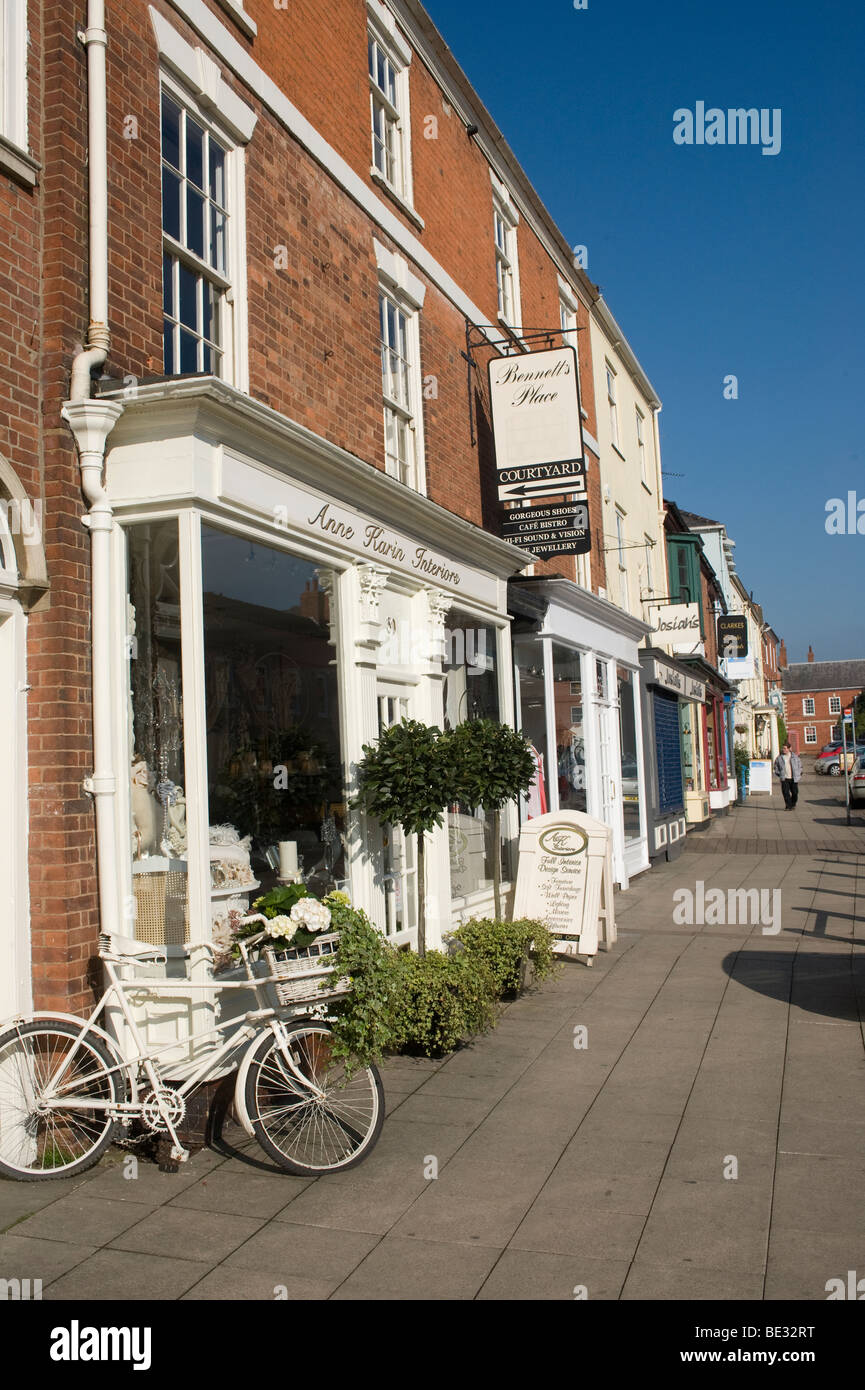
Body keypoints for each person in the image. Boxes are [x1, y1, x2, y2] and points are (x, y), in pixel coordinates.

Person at [773, 741, 802, 809]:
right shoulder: (779, 758)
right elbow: (775, 767)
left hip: (793, 778)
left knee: (795, 793)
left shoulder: (795, 757)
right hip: (784, 778)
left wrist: (799, 773)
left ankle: (793, 803)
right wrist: (779, 774)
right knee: (785, 793)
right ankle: (788, 806)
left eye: (785, 748)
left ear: (789, 749)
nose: (784, 750)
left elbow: (800, 766)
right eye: (783, 748)